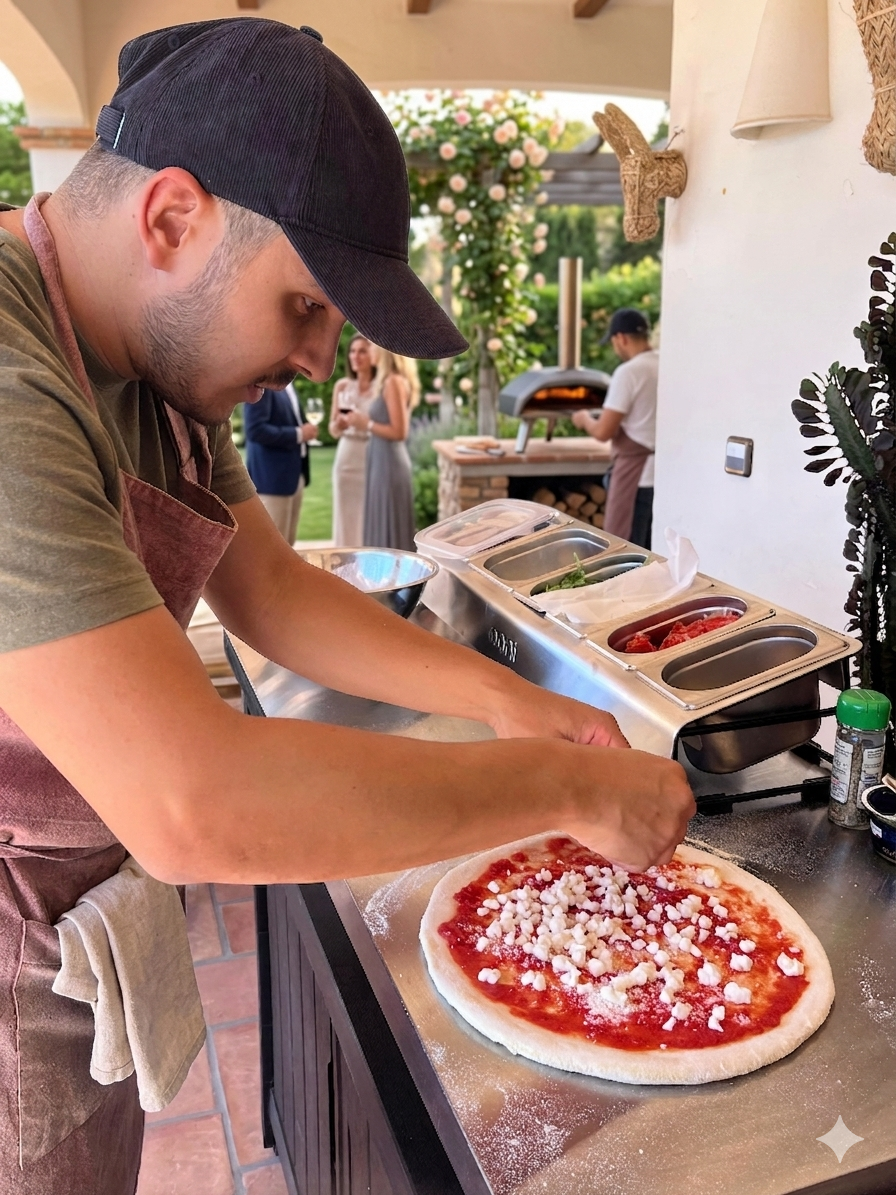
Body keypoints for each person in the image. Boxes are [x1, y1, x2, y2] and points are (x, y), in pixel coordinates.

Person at [0, 19, 694, 1194]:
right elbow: (190, 798)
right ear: (172, 218)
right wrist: (571, 788)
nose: (323, 360)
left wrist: (504, 697)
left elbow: (268, 589)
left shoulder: (159, 377)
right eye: (305, 306)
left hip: (68, 908)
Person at [572, 307, 658, 548]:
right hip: (664, 474)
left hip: (637, 479)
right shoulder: (666, 364)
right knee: (655, 552)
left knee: (627, 551)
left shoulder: (629, 372)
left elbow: (603, 432)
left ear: (621, 338)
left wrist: (584, 419)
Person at [351, 346, 418, 552]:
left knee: (389, 522)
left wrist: (366, 424)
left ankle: (393, 580)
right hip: (380, 459)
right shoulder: (388, 381)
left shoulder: (393, 382)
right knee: (382, 518)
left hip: (389, 462)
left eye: (371, 347)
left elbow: (400, 431)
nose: (369, 352)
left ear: (384, 351)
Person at [244, 383, 315, 544]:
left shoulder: (288, 384)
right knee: (271, 549)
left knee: (288, 545)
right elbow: (255, 429)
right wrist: (298, 434)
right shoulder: (262, 381)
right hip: (272, 479)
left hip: (295, 474)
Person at [328, 334, 377, 545]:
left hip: (372, 456)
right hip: (346, 457)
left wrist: (363, 422)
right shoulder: (342, 386)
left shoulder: (382, 388)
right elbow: (332, 430)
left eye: (362, 351)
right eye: (353, 351)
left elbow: (389, 428)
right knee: (345, 515)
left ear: (372, 356)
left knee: (371, 514)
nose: (356, 356)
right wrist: (339, 424)